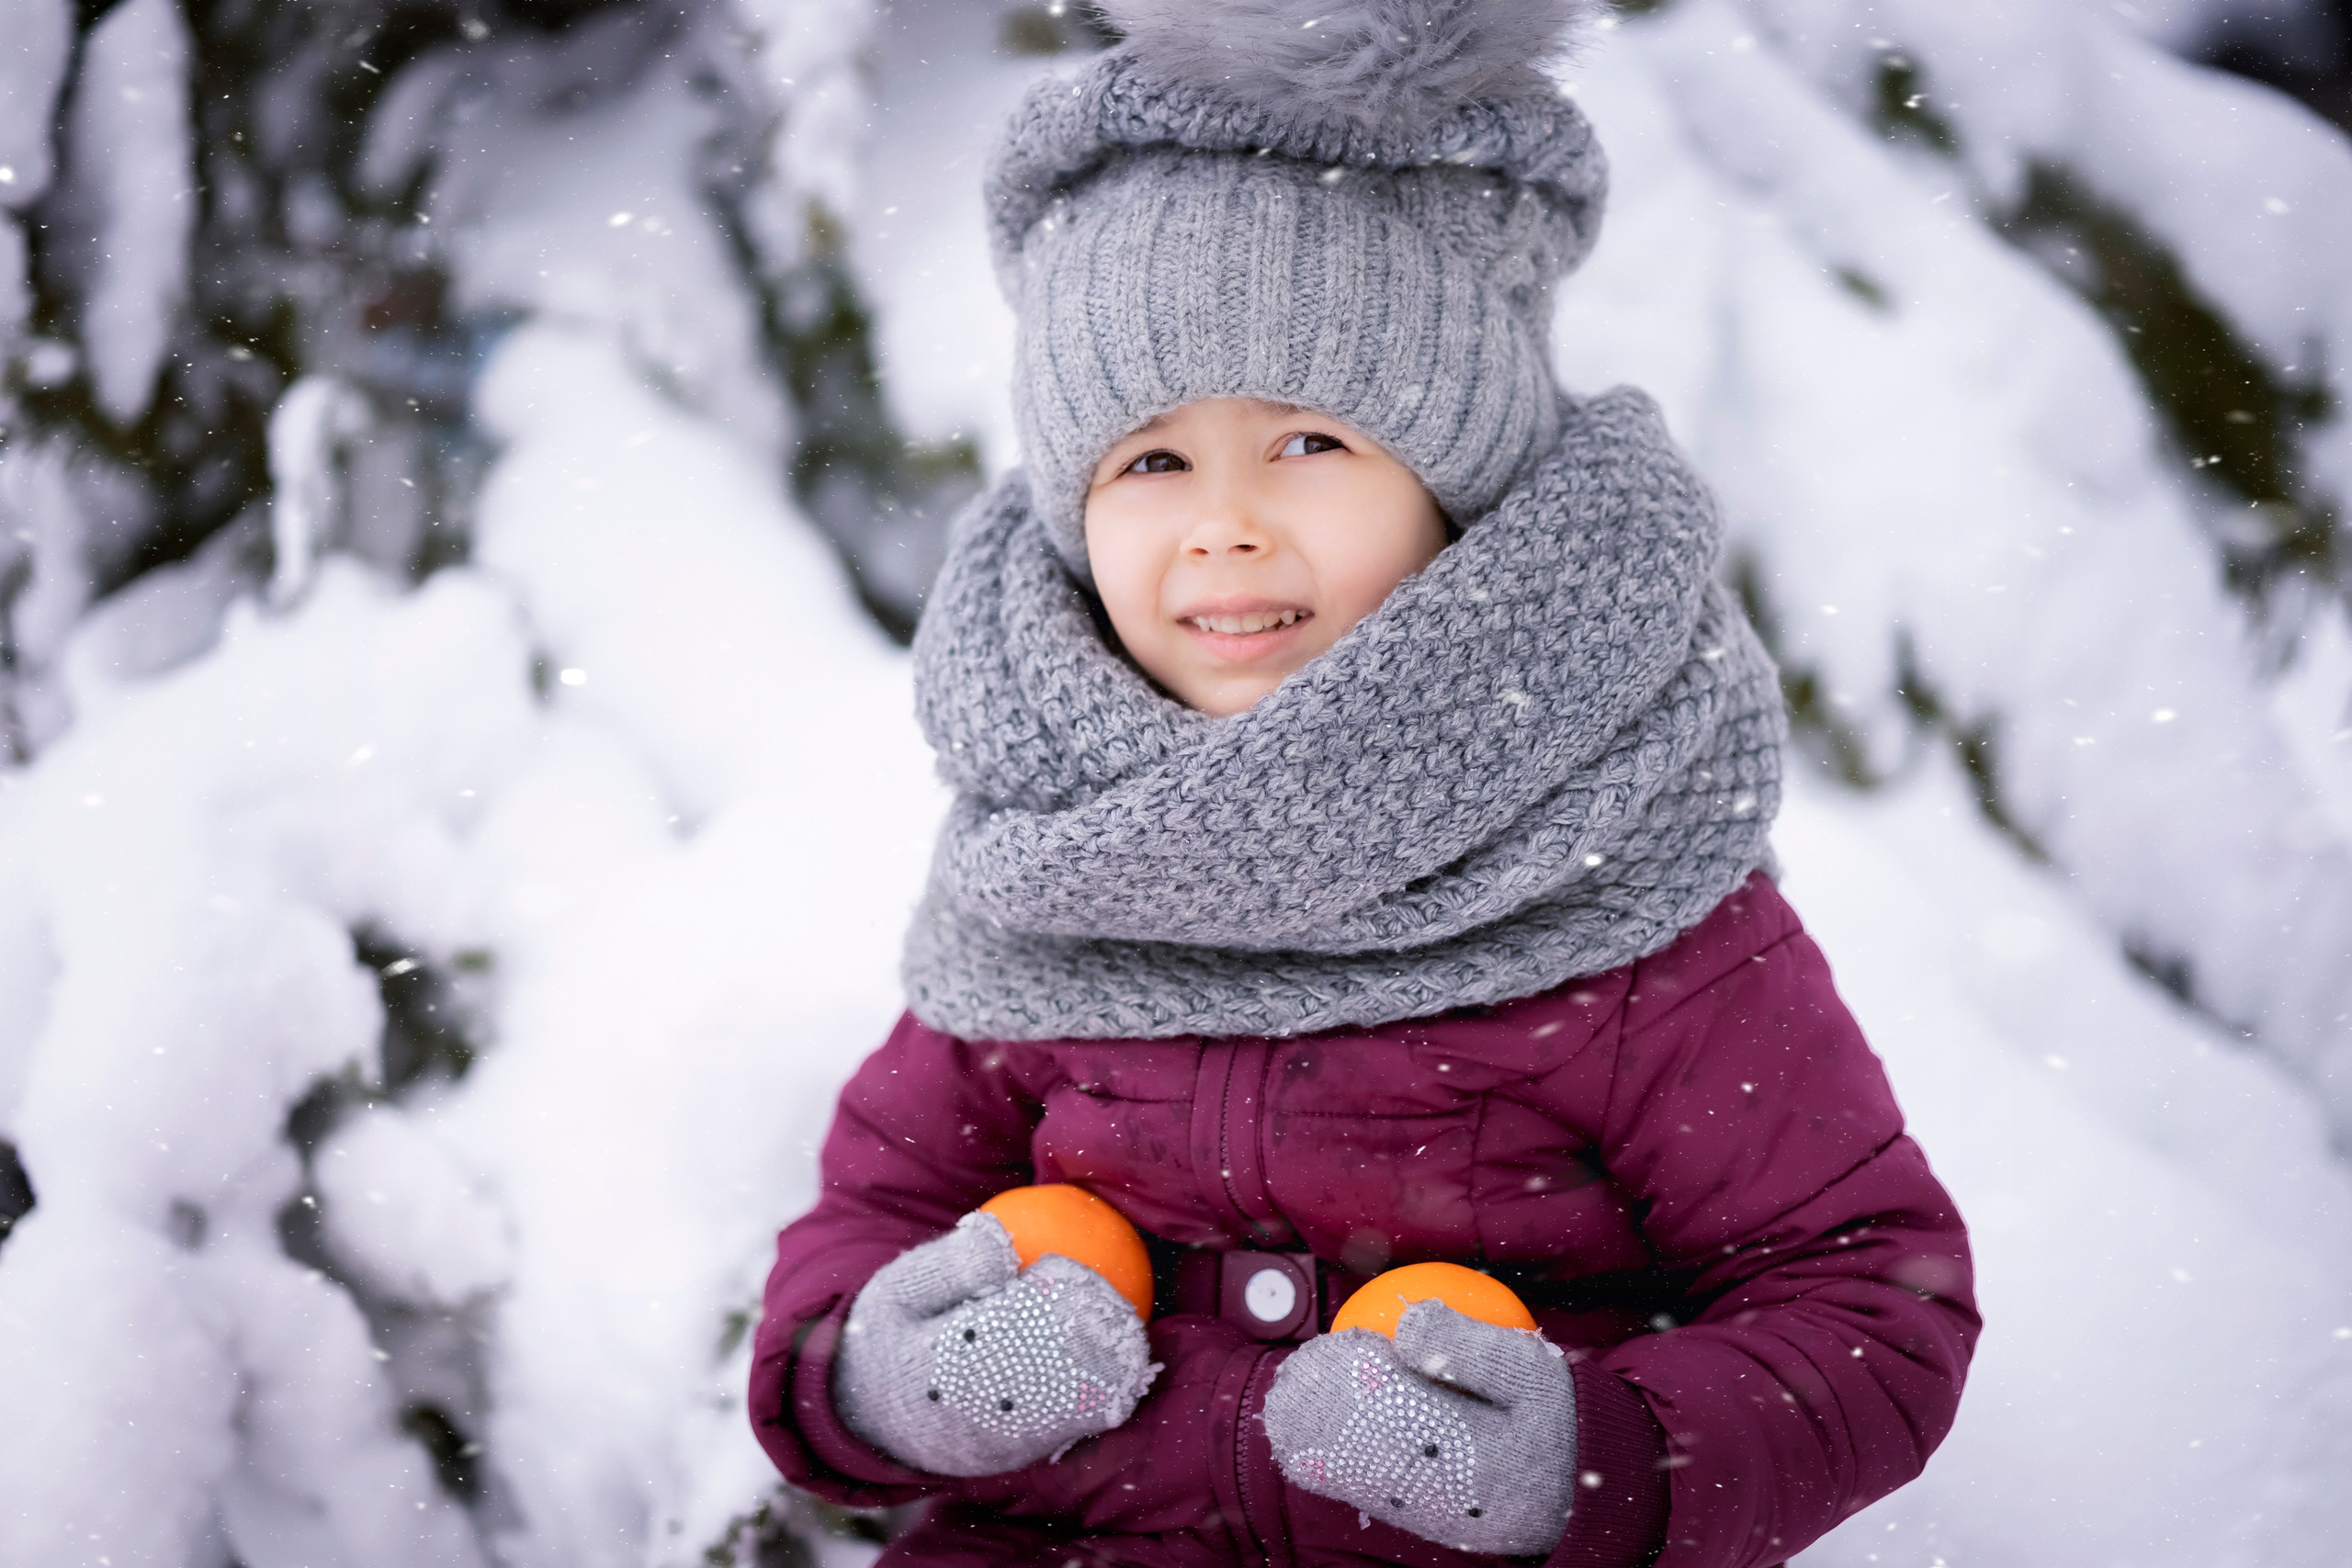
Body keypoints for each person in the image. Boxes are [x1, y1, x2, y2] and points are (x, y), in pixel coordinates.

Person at [749, 2, 1978, 1562]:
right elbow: (873, 1214)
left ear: (1457, 487)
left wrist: (1585, 1463)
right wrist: (891, 1382)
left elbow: (1866, 1292)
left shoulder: (1620, 893)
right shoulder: (1051, 873)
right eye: (1150, 462)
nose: (1227, 525)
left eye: (1313, 441)